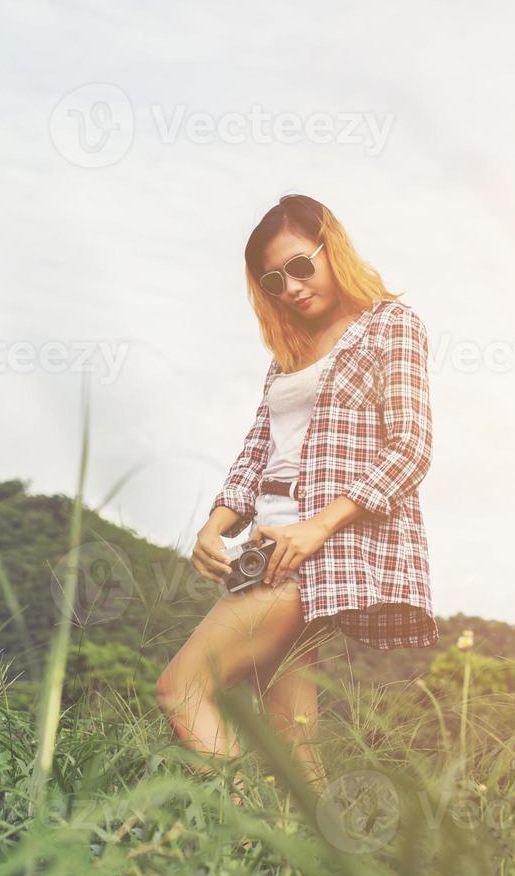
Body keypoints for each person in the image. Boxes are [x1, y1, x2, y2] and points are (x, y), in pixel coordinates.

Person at [155, 193, 440, 798]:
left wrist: (318, 528)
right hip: (263, 546)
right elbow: (258, 450)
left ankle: (249, 840)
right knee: (296, 754)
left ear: (331, 248)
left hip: (306, 555)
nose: (290, 287)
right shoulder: (288, 355)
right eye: (273, 280)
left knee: (180, 690)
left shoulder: (390, 324)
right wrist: (215, 525)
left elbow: (410, 447)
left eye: (301, 267)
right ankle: (308, 853)